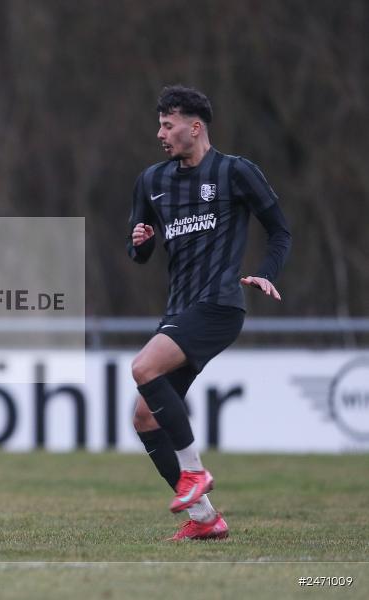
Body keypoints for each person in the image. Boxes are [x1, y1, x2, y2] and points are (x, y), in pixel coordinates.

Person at [127, 86, 291, 541]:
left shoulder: (235, 171)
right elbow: (138, 249)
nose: (160, 132)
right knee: (144, 417)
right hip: (179, 309)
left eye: (168, 123)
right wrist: (140, 244)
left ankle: (193, 473)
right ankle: (204, 519)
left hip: (218, 304)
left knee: (142, 367)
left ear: (195, 126)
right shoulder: (151, 181)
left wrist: (265, 272)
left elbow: (280, 231)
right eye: (159, 123)